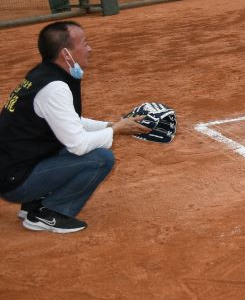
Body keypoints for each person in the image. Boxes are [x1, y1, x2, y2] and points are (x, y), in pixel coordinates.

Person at [0, 21, 147, 233]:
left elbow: (69, 122)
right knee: (100, 159)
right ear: (66, 54)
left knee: (65, 143)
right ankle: (49, 213)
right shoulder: (55, 88)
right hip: (15, 181)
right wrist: (116, 130)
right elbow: (78, 144)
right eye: (84, 43)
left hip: (14, 167)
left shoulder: (44, 74)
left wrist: (110, 125)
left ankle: (32, 204)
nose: (89, 49)